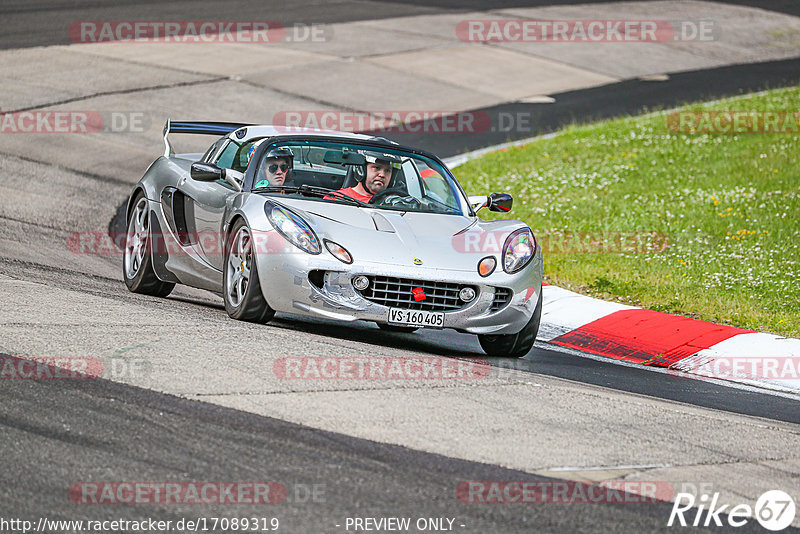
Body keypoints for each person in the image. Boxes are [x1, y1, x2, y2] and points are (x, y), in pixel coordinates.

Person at [328, 151, 401, 202]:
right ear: (361, 170)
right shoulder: (336, 198)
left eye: (387, 171)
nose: (382, 175)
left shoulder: (394, 204)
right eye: (377, 168)